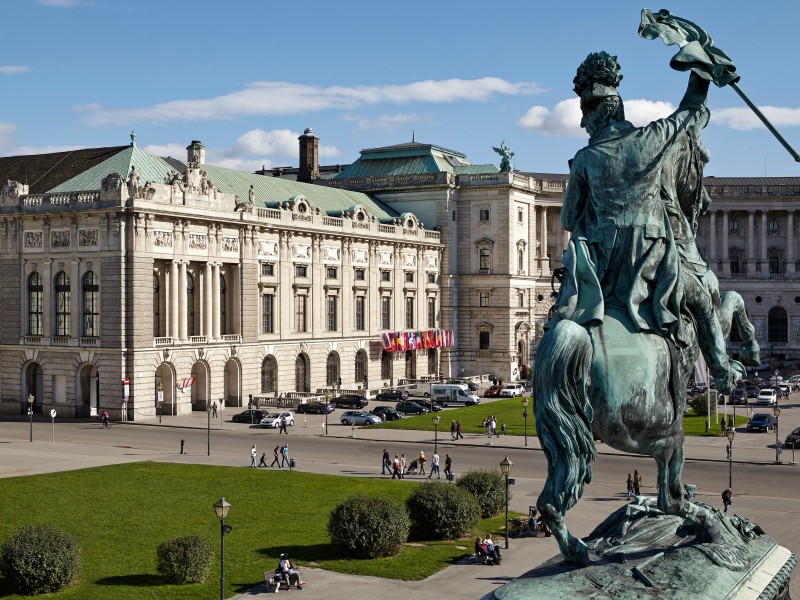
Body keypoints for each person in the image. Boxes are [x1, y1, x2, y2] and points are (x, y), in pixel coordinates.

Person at [553, 50, 739, 395]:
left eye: (586, 113)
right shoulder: (651, 140)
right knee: (700, 302)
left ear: (603, 112)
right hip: (650, 259)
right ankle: (723, 370)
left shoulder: (584, 159)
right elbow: (689, 111)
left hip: (601, 264)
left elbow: (567, 218)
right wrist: (701, 71)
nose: (583, 123)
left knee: (561, 314)